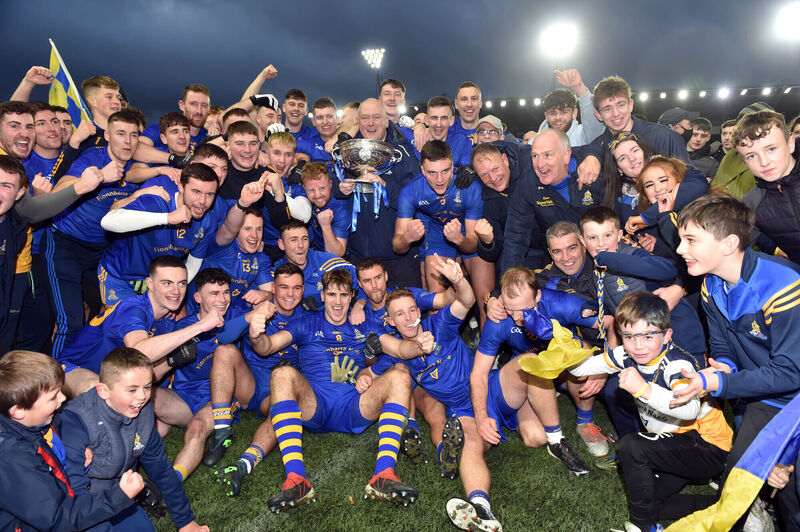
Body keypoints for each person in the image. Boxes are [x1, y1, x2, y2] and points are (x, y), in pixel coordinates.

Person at [671, 194, 800, 531]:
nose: (680, 249)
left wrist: (719, 382)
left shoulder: (783, 284)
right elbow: (722, 345)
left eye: (691, 240)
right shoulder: (711, 286)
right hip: (762, 395)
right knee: (740, 487)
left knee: (791, 490)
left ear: (729, 244)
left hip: (790, 397)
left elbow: (791, 372)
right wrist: (722, 368)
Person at [251, 269, 420, 511]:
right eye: (332, 294)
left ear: (352, 297)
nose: (338, 302)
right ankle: (297, 480)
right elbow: (266, 347)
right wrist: (256, 333)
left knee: (401, 374)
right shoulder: (306, 324)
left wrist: (420, 344)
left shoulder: (365, 326)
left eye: (343, 295)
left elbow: (402, 350)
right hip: (314, 407)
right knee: (281, 373)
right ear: (322, 296)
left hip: (355, 405)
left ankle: (384, 475)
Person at [570, 291, 732, 532]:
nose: (638, 345)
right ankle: (729, 508)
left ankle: (641, 527)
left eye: (648, 336)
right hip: (677, 443)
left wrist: (643, 389)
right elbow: (583, 368)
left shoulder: (677, 364)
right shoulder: (627, 354)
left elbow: (690, 409)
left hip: (708, 447)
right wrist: (557, 357)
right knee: (647, 499)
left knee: (632, 446)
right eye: (629, 336)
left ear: (667, 336)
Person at [60, 347, 209, 532]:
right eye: (132, 390)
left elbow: (161, 470)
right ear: (104, 391)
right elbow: (74, 495)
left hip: (120, 489)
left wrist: (186, 522)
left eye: (147, 387)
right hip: (86, 500)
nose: (142, 397)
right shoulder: (77, 420)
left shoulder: (143, 411)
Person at [0, 350, 147, 531]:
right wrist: (119, 495)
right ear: (19, 411)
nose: (62, 398)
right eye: (53, 396)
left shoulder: (31, 422)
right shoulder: (12, 458)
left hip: (55, 503)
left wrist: (68, 447)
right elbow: (58, 518)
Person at [473, 265, 595, 472]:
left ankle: (582, 424)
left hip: (561, 367)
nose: (518, 316)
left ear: (538, 296)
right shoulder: (499, 319)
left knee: (583, 353)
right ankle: (543, 416)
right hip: (529, 374)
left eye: (524, 309)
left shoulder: (557, 303)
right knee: (535, 438)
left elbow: (609, 322)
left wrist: (601, 367)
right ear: (502, 301)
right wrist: (481, 416)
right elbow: (478, 373)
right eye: (511, 310)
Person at [45, 109, 141, 356]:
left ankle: (84, 371)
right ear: (107, 136)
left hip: (102, 250)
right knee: (71, 321)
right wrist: (97, 178)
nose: (127, 142)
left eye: (133, 135)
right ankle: (56, 384)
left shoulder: (137, 169)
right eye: (120, 134)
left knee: (108, 316)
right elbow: (60, 188)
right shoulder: (93, 158)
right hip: (66, 243)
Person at [57, 256, 224, 396]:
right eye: (167, 283)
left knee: (145, 404)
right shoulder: (133, 309)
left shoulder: (167, 321)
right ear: (149, 283)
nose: (176, 291)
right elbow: (140, 352)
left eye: (181, 283)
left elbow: (146, 374)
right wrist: (200, 326)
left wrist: (171, 361)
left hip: (113, 377)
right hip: (70, 370)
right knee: (96, 390)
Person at [98, 163, 261, 305]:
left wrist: (173, 287)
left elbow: (193, 263)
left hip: (155, 283)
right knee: (117, 328)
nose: (202, 202)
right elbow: (107, 222)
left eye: (210, 194)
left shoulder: (207, 221)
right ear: (181, 187)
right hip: (118, 275)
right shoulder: (157, 202)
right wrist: (168, 218)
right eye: (196, 192)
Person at [212, 263, 307, 497]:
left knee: (284, 410)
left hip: (274, 391)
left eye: (296, 288)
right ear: (273, 288)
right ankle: (222, 430)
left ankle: (243, 465)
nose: (290, 294)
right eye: (283, 287)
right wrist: (252, 315)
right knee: (225, 351)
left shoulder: (308, 315)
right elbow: (222, 335)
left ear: (303, 290)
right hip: (249, 382)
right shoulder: (258, 307)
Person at [337, 98, 422, 288]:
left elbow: (416, 198)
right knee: (361, 315)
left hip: (399, 257)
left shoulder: (402, 153)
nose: (371, 123)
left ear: (386, 121)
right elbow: (330, 186)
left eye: (376, 117)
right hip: (360, 256)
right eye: (365, 118)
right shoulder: (348, 150)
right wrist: (340, 189)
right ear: (358, 121)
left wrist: (386, 186)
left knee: (407, 314)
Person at [501, 128, 603, 274]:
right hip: (559, 261)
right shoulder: (527, 185)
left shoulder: (593, 174)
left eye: (547, 155)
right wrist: (507, 283)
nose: (540, 164)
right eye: (535, 156)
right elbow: (515, 237)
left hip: (601, 256)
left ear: (567, 155)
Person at [737, 110, 800, 264]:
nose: (764, 162)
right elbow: (730, 254)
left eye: (771, 149)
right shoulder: (751, 204)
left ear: (791, 143)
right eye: (751, 156)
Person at [272, 219, 357, 306]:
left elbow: (363, 281)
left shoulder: (328, 263)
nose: (301, 245)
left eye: (305, 239)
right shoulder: (276, 274)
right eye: (294, 240)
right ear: (281, 244)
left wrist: (360, 304)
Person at [538, 68, 604, 146]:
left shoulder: (583, 136)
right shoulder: (535, 141)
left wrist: (578, 87)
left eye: (564, 112)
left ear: (574, 113)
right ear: (546, 116)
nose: (558, 117)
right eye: (552, 113)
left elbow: (593, 122)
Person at [140, 84, 210, 153]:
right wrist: (174, 159)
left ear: (209, 108)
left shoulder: (209, 135)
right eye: (193, 104)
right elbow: (138, 149)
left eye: (204, 105)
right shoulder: (161, 128)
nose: (199, 111)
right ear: (182, 105)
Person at [301, 161, 351, 256]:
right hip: (315, 248)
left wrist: (325, 225)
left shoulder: (340, 208)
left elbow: (338, 253)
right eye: (311, 190)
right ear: (304, 188)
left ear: (331, 184)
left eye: (322, 188)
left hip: (338, 256)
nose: (317, 195)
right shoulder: (302, 194)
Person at [295, 97, 338, 163]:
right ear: (313, 122)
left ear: (337, 119)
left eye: (329, 116)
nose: (325, 122)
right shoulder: (305, 143)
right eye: (320, 117)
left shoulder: (349, 137)